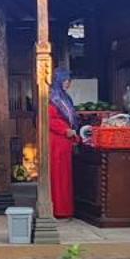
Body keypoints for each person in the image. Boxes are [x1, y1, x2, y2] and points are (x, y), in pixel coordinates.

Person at [48, 67, 78, 219]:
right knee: (59, 177)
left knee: (65, 178)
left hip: (64, 142)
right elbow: (50, 120)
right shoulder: (53, 98)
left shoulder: (64, 98)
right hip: (57, 143)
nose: (68, 83)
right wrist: (66, 130)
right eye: (65, 80)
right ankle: (59, 210)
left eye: (69, 80)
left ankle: (66, 209)